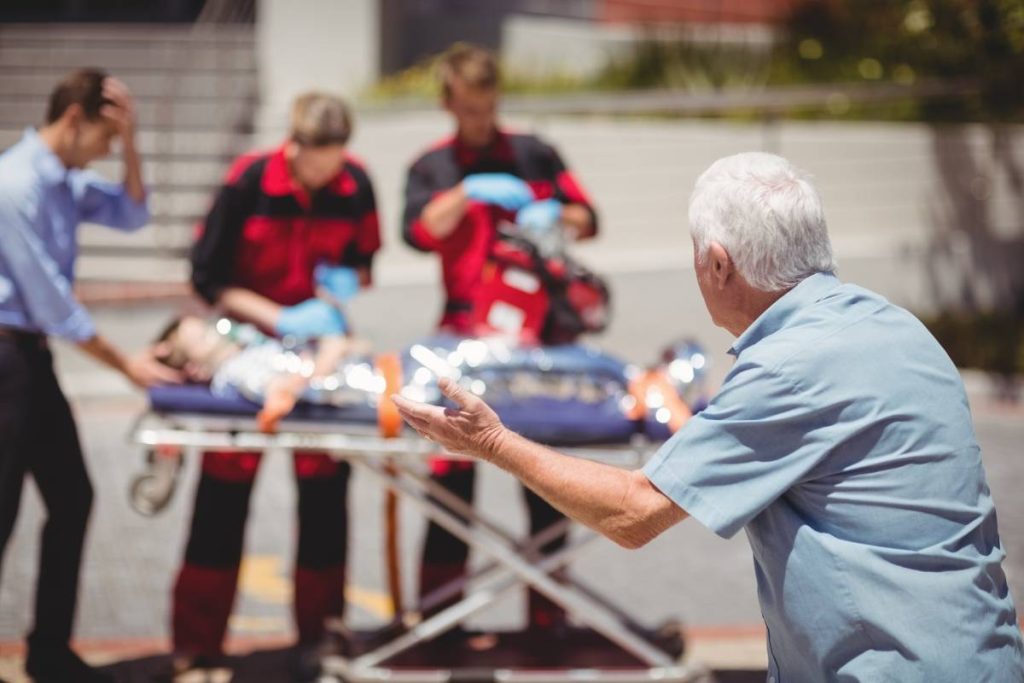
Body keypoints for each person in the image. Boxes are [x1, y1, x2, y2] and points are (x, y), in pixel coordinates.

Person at [394, 152, 1024, 681]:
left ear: (719, 263)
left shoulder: (789, 365)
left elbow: (632, 513)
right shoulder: (894, 326)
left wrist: (495, 443)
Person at [176, 91, 380, 678]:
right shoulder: (249, 181)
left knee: (323, 501)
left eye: (335, 164)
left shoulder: (355, 182)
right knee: (221, 496)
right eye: (315, 164)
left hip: (320, 357)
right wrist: (276, 316)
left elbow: (363, 262)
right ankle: (198, 644)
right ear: (294, 146)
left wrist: (337, 292)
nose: (326, 176)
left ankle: (319, 639)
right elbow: (207, 278)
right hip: (245, 354)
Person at [402, 42, 599, 632]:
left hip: (538, 334)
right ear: (448, 103)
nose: (480, 122)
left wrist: (552, 214)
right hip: (463, 333)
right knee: (450, 491)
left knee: (543, 483)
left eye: (488, 109)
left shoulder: (536, 154)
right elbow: (418, 230)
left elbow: (588, 217)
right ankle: (441, 624)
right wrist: (469, 191)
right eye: (469, 111)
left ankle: (548, 624)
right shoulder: (431, 167)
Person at [0, 69, 180, 683]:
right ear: (74, 120)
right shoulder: (15, 183)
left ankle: (50, 653)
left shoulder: (67, 181)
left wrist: (131, 140)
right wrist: (127, 363)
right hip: (4, 356)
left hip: (29, 357)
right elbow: (51, 302)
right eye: (105, 138)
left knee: (72, 497)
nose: (107, 152)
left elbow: (132, 214)